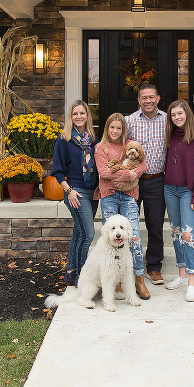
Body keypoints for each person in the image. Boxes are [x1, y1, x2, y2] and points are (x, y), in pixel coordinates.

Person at [94, 113, 150, 299]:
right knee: (111, 238)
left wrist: (132, 174)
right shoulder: (101, 147)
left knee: (133, 236)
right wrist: (129, 175)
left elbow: (143, 166)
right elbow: (103, 172)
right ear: (107, 128)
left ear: (123, 129)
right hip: (109, 196)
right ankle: (116, 283)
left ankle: (139, 280)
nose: (115, 131)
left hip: (129, 196)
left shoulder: (130, 145)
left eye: (119, 128)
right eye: (112, 127)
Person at [162, 99, 194, 302]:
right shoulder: (171, 134)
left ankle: (192, 281)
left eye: (180, 114)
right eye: (173, 115)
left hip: (188, 191)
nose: (177, 118)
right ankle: (181, 275)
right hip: (169, 189)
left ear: (187, 113)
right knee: (175, 231)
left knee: (188, 233)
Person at [51, 100, 99, 287]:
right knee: (88, 234)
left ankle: (70, 271)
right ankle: (81, 273)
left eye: (82, 113)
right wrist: (68, 191)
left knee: (79, 232)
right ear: (70, 117)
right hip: (75, 191)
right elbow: (57, 170)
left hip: (92, 191)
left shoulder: (93, 140)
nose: (79, 117)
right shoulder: (63, 139)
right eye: (75, 114)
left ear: (87, 116)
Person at [126, 83, 167, 285]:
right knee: (128, 225)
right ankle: (128, 265)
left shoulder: (168, 120)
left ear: (158, 98)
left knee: (155, 224)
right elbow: (116, 143)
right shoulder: (130, 121)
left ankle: (154, 266)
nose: (148, 101)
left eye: (151, 97)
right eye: (144, 98)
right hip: (133, 181)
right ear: (139, 100)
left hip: (158, 180)